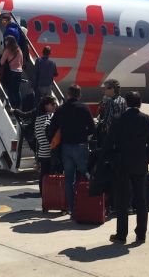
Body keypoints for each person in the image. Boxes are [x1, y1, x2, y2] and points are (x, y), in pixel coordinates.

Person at [105, 91, 149, 244]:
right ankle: (141, 234)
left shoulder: (118, 119)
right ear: (140, 103)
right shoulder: (147, 119)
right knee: (141, 200)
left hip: (122, 164)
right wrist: (145, 160)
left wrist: (112, 160)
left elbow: (109, 143)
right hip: (140, 164)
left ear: (126, 103)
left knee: (122, 200)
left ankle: (121, 234)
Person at [48, 84, 95, 214]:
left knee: (68, 178)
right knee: (85, 174)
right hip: (80, 145)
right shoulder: (84, 108)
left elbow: (52, 128)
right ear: (79, 95)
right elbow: (92, 128)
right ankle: (87, 203)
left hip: (66, 147)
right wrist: (83, 135)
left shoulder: (61, 109)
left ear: (68, 95)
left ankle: (72, 208)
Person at [14, 95, 58, 193]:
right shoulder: (48, 117)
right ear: (46, 106)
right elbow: (50, 133)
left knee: (43, 174)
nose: (55, 106)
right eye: (53, 104)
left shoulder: (38, 118)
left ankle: (43, 192)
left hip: (42, 151)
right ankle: (50, 193)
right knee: (51, 173)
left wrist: (16, 111)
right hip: (49, 150)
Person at [98, 79, 126, 145]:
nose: (104, 91)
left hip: (113, 137)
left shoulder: (111, 102)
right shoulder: (123, 100)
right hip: (122, 135)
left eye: (105, 88)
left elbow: (109, 122)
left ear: (112, 89)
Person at [0, 35, 23, 109]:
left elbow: (1, 62)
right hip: (19, 71)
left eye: (6, 41)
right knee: (17, 90)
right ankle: (18, 107)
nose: (5, 42)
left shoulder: (8, 50)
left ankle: (12, 107)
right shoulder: (18, 49)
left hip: (12, 72)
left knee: (10, 91)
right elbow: (22, 62)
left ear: (8, 42)